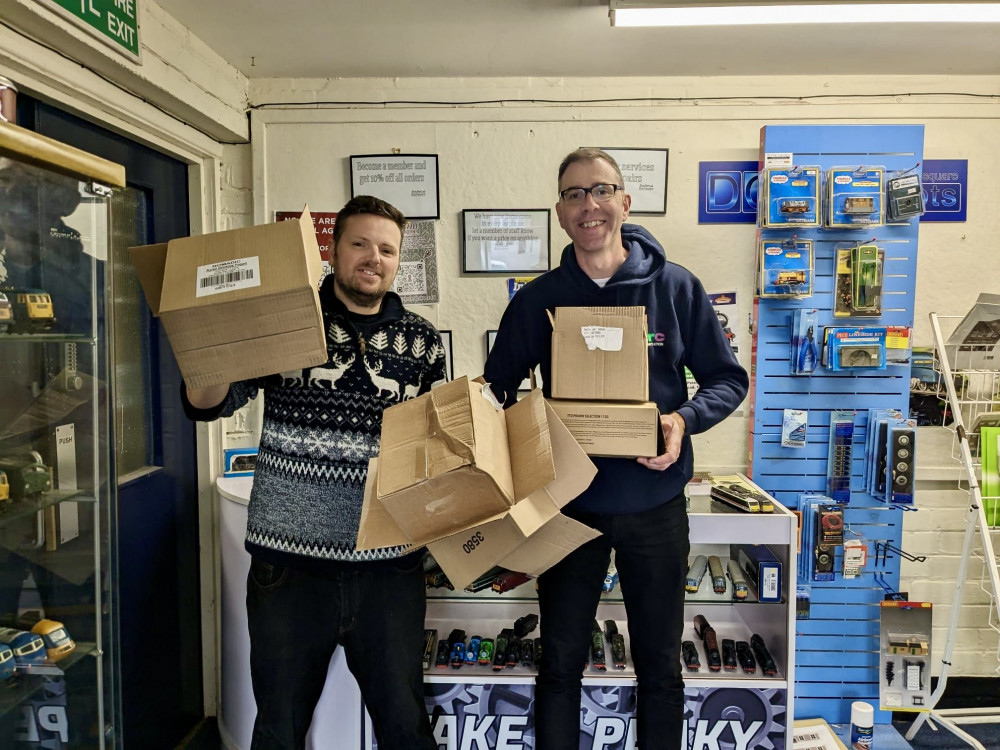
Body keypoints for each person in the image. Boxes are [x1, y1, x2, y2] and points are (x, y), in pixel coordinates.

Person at [483, 148, 749, 750]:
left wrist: (683, 421)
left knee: (660, 667)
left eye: (600, 191)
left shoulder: (676, 288)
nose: (589, 205)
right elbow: (494, 392)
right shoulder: (537, 300)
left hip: (654, 507)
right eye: (574, 194)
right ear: (560, 213)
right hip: (568, 510)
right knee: (559, 665)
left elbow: (728, 379)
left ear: (624, 204)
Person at [183, 196, 444, 750]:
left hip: (388, 571)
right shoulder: (286, 320)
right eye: (360, 244)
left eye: (387, 249)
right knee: (278, 729)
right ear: (332, 249)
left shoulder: (422, 340)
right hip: (289, 569)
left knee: (406, 728)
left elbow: (435, 444)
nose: (373, 258)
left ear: (398, 262)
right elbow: (210, 402)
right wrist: (204, 343)